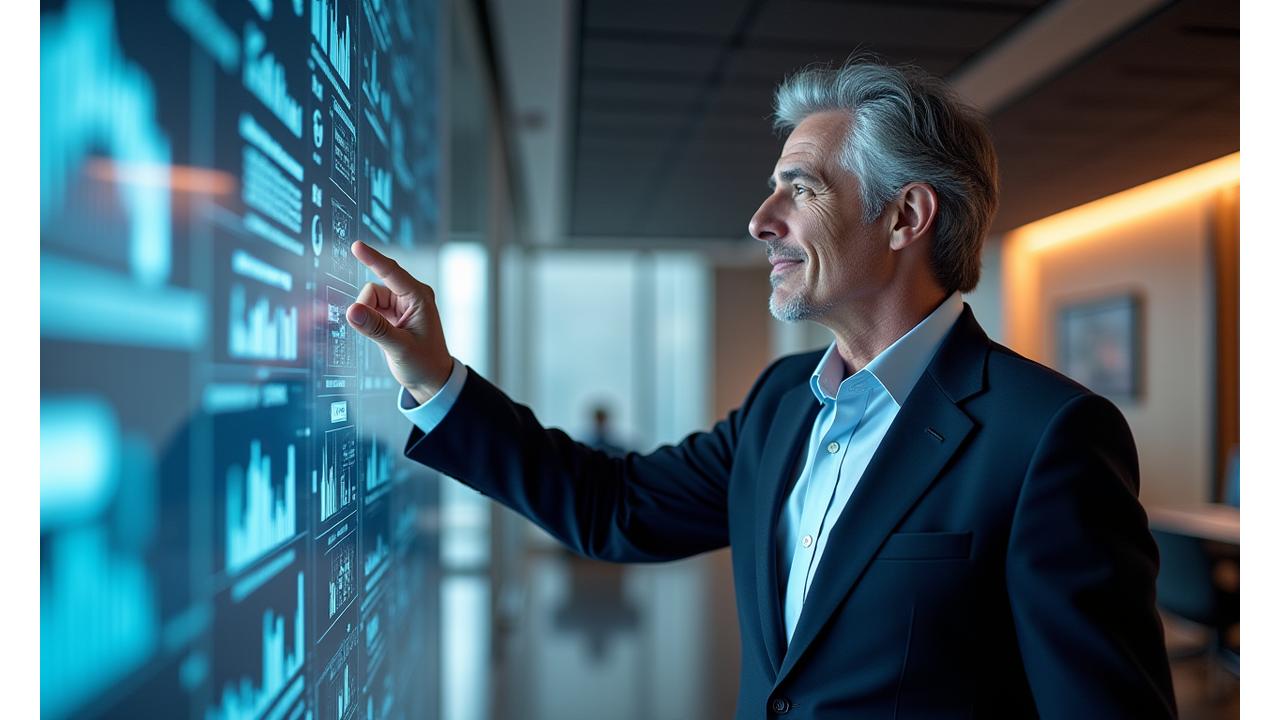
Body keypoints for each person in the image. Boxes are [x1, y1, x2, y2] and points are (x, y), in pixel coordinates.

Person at [343, 59, 1176, 719]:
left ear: (905, 217)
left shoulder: (1048, 436)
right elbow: (612, 507)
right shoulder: (783, 401)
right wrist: (434, 377)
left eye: (801, 188)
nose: (761, 219)